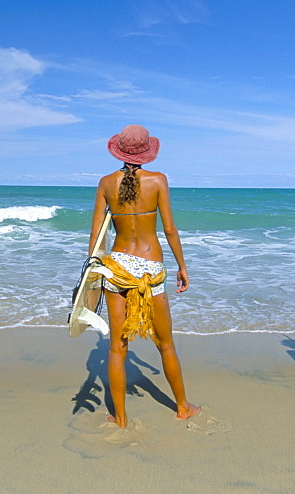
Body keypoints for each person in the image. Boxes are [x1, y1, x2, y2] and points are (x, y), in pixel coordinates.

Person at [89, 125, 201, 428]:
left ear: (119, 150)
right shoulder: (158, 181)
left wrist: (92, 269)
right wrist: (182, 266)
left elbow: (98, 234)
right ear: (146, 152)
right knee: (165, 344)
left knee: (116, 346)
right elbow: (170, 230)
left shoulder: (105, 183)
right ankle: (181, 407)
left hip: (117, 267)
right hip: (150, 268)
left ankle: (121, 418)